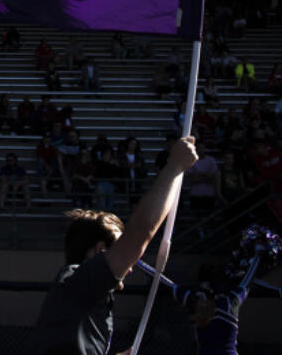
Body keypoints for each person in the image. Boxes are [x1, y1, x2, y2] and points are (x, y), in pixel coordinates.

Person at [25, 136, 199, 355]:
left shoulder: (80, 293)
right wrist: (174, 167)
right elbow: (141, 231)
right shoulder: (78, 277)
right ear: (100, 250)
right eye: (119, 248)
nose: (131, 264)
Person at [134, 257, 261, 355]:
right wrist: (258, 254)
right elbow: (248, 280)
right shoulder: (229, 303)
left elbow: (161, 279)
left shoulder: (196, 303)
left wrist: (136, 260)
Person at [186, 142, 219, 211]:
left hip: (209, 194)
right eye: (198, 148)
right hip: (195, 194)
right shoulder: (191, 161)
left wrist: (198, 175)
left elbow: (213, 177)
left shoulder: (211, 160)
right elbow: (191, 178)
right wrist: (206, 175)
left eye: (202, 148)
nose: (200, 149)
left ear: (205, 149)